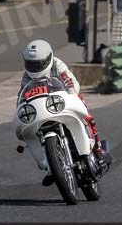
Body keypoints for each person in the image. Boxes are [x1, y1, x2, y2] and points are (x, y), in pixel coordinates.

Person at [19, 40, 111, 186]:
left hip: (62, 102)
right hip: (43, 110)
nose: (34, 68)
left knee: (85, 113)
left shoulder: (58, 65)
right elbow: (22, 97)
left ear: (48, 59)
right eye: (31, 64)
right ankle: (52, 166)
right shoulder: (26, 76)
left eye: (38, 64)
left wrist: (72, 96)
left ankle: (98, 148)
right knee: (34, 132)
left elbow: (71, 82)